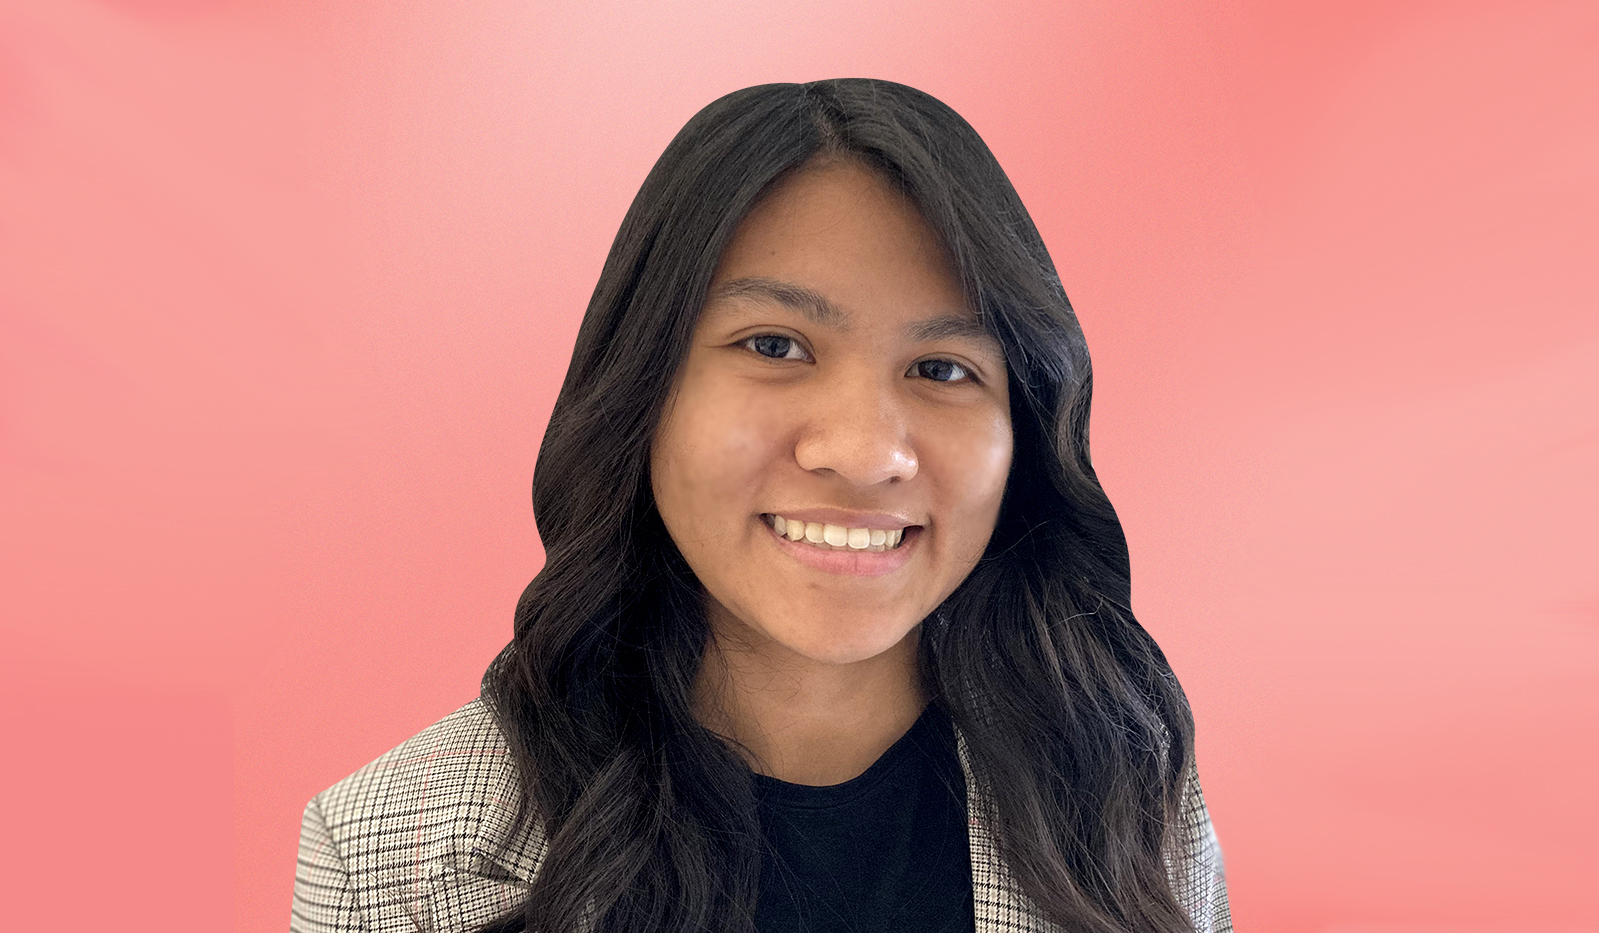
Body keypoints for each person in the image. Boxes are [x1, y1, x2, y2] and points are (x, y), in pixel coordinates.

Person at [291, 78, 1232, 933]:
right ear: (642, 390)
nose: (865, 453)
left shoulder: (1129, 805)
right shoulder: (394, 860)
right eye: (774, 346)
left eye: (942, 368)